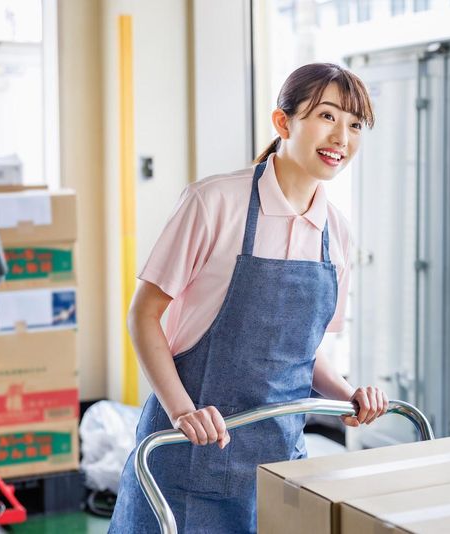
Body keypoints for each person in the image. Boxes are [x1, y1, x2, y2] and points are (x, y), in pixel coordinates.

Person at [108, 63, 387, 534]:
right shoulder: (214, 202)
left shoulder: (336, 232)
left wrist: (348, 396)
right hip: (187, 455)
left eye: (355, 124)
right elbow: (144, 315)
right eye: (327, 116)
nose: (341, 137)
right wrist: (182, 411)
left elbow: (302, 353)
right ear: (283, 123)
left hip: (278, 465)